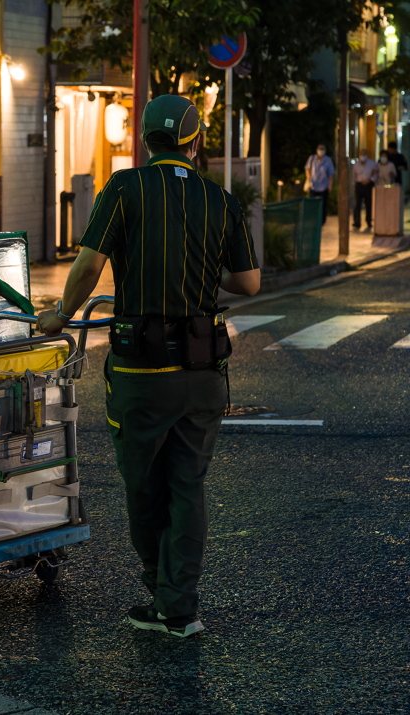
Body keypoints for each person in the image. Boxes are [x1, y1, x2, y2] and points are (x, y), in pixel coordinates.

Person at [37, 95, 260, 638]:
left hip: (141, 371)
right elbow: (249, 282)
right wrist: (207, 275)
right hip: (203, 372)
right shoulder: (219, 200)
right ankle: (179, 607)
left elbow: (90, 262)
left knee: (143, 487)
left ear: (144, 141)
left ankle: (161, 590)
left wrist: (59, 316)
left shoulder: (125, 188)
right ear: (195, 141)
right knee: (189, 484)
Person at [304, 144, 334, 224]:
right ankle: (313, 220)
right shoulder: (312, 158)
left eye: (322, 149)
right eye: (320, 149)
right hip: (314, 186)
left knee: (323, 205)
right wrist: (308, 178)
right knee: (313, 205)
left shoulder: (328, 160)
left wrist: (330, 185)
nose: (321, 151)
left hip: (324, 187)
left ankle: (322, 221)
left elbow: (331, 174)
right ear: (317, 150)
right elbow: (307, 169)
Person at [352, 148, 379, 232]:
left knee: (368, 204)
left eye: (364, 154)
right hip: (359, 185)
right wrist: (354, 186)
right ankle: (357, 222)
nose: (362, 156)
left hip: (368, 185)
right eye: (361, 154)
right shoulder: (356, 165)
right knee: (357, 204)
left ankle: (368, 221)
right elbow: (353, 176)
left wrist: (370, 180)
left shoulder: (372, 164)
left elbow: (376, 173)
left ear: (366, 155)